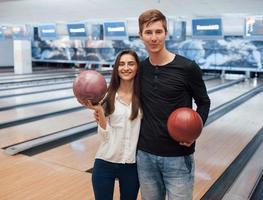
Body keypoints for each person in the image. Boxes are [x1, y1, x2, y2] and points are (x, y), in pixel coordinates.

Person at [136, 9, 211, 200]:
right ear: (141, 35)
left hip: (178, 156)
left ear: (166, 33)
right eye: (148, 32)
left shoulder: (187, 67)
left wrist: (195, 132)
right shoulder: (140, 69)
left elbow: (203, 102)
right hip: (145, 155)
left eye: (158, 32)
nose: (154, 38)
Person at [79, 50, 142, 200]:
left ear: (137, 67)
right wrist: (100, 112)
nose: (126, 68)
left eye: (130, 63)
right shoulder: (107, 96)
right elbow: (104, 137)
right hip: (105, 162)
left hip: (131, 166)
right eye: (121, 64)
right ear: (116, 68)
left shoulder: (144, 97)